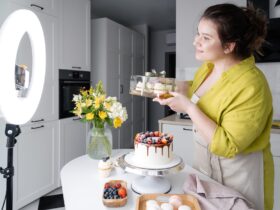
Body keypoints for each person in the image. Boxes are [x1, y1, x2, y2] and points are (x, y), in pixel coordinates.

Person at [154, 3, 274, 210]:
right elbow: (201, 91)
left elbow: (227, 145)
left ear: (229, 46)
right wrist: (173, 86)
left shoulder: (251, 85)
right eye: (198, 34)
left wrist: (189, 108)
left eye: (206, 38)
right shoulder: (208, 67)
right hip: (206, 169)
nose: (196, 41)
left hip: (238, 177)